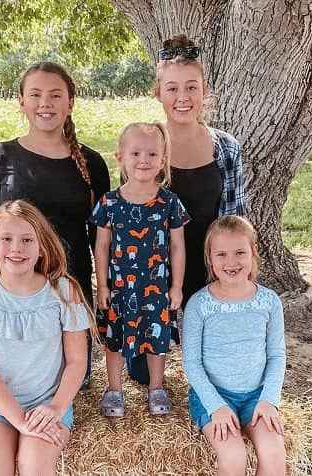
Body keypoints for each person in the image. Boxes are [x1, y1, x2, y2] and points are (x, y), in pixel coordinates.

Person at [0, 62, 110, 387]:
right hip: (15, 286)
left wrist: (106, 285)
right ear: (21, 101)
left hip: (70, 287)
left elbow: (101, 235)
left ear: (70, 102)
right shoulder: (0, 158)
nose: (45, 103)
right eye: (35, 94)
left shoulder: (91, 163)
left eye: (55, 95)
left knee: (74, 380)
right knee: (20, 380)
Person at [126, 33, 249, 386]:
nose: (183, 98)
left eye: (192, 87)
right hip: (153, 271)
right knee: (142, 375)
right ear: (158, 92)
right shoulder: (145, 148)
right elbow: (129, 218)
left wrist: (232, 277)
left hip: (209, 268)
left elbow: (235, 221)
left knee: (215, 370)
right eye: (172, 88)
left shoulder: (225, 147)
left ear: (204, 90)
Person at [0, 200, 94, 476]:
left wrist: (56, 407)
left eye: (27, 240)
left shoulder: (64, 292)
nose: (16, 248)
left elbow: (77, 362)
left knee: (35, 467)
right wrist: (20, 421)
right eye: (7, 239)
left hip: (47, 403)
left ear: (41, 246)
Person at [92, 122, 189, 417]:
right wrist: (103, 285)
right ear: (120, 157)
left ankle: (156, 387)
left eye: (152, 154)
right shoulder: (109, 202)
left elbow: (177, 246)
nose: (143, 160)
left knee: (157, 339)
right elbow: (102, 247)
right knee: (115, 339)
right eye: (135, 153)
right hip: (119, 288)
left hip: (156, 287)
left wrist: (177, 286)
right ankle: (114, 389)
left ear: (163, 160)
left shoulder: (169, 202)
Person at [182, 216, 286, 476]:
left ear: (253, 252)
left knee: (274, 455)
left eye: (240, 252)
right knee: (234, 456)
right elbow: (192, 363)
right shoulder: (199, 304)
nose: (231, 262)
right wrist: (216, 405)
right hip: (214, 396)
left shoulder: (269, 301)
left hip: (256, 396)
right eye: (221, 254)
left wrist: (269, 400)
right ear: (210, 258)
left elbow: (276, 355)